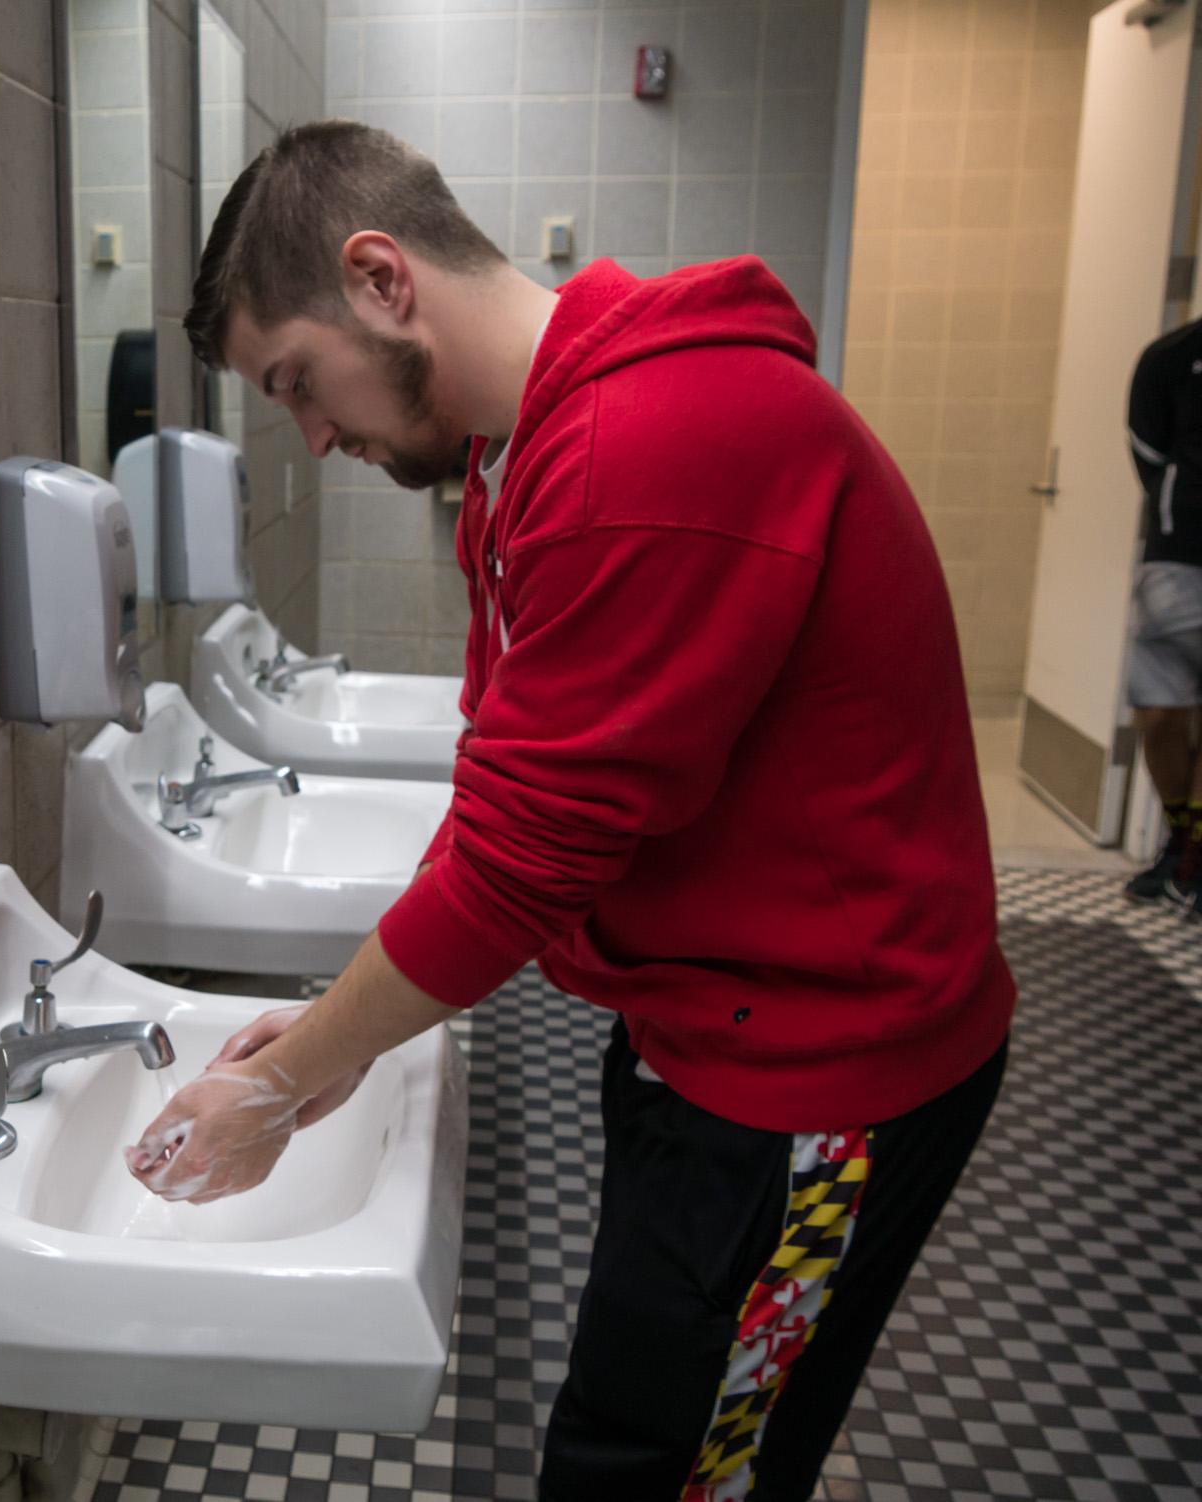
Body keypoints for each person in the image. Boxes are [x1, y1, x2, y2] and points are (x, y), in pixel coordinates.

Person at [126, 122, 1015, 1502]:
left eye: (297, 380)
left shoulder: (635, 449)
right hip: (709, 1019)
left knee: (677, 1469)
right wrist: (331, 1040)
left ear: (381, 278)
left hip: (822, 1069)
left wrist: (288, 1076)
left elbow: (514, 869)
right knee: (627, 1436)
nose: (312, 435)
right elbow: (507, 782)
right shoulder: (526, 454)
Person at [1122, 316, 1202, 910]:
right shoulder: (1172, 356)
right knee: (1158, 713)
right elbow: (1148, 451)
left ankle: (1193, 857)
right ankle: (1181, 835)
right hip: (1177, 559)